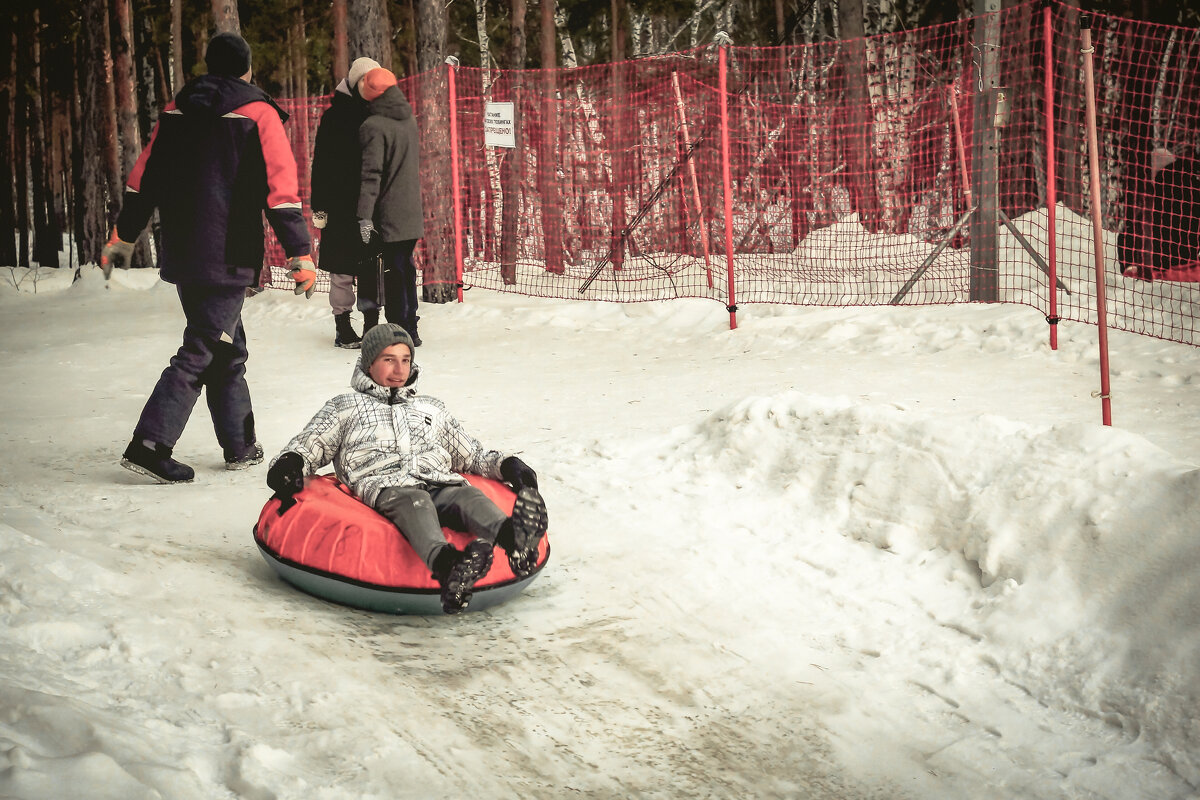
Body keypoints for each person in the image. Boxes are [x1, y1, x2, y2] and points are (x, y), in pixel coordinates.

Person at [101, 31, 316, 484]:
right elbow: (281, 192)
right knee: (203, 345)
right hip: (229, 251)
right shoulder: (258, 114)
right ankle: (150, 444)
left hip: (183, 250)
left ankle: (240, 445)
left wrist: (124, 234)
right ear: (247, 69)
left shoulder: (176, 112)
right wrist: (300, 252)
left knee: (226, 347)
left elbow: (144, 181)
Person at [265, 324, 547, 614]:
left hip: (437, 479)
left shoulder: (430, 408)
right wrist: (290, 462)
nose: (399, 369)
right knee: (417, 501)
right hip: (386, 486)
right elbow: (311, 442)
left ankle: (515, 541)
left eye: (405, 360)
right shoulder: (345, 407)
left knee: (468, 497)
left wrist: (505, 464)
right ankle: (448, 567)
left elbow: (470, 453)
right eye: (389, 359)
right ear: (369, 363)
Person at [310, 56, 381, 349]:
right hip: (339, 203)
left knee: (370, 265)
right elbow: (321, 163)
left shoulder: (380, 114)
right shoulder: (334, 116)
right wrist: (320, 205)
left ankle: (371, 327)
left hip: (370, 201)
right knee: (341, 267)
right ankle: (342, 326)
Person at [355, 68, 425, 346]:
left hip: (389, 213)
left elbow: (371, 175)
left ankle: (398, 333)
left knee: (393, 274)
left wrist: (364, 216)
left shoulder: (373, 126)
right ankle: (411, 327)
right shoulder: (408, 119)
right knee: (405, 269)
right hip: (411, 210)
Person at [1118, 147, 1200, 280]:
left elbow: (1129, 233)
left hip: (1157, 270)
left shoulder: (1153, 195)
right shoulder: (1193, 189)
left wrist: (1129, 264)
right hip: (1189, 267)